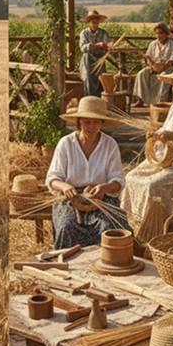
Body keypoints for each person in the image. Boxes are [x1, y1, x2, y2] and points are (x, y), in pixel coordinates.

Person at [121, 62, 173, 228]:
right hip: (165, 154)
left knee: (152, 184)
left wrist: (172, 135)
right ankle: (131, 222)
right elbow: (166, 129)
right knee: (131, 177)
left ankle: (152, 225)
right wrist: (156, 134)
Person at [46, 96, 131, 249]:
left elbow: (118, 180)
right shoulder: (66, 144)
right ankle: (69, 266)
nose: (91, 126)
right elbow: (53, 178)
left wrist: (104, 188)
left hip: (101, 197)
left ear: (102, 123)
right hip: (70, 197)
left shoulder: (110, 145)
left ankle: (104, 268)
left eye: (96, 122)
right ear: (79, 122)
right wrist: (65, 186)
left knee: (109, 228)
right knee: (67, 226)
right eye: (87, 122)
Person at [132, 23, 173, 106]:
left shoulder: (171, 44)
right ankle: (141, 100)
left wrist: (165, 64)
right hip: (154, 66)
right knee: (141, 74)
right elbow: (148, 57)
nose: (158, 35)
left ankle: (160, 102)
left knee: (164, 77)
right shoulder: (153, 44)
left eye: (161, 33)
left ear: (166, 34)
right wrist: (150, 63)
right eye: (157, 33)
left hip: (167, 68)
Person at [79, 10, 111, 97]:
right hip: (88, 61)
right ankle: (89, 97)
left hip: (100, 59)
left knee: (101, 78)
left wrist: (108, 46)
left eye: (96, 22)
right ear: (89, 22)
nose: (95, 24)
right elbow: (83, 48)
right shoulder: (84, 33)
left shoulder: (103, 33)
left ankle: (99, 99)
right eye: (93, 22)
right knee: (88, 76)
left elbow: (109, 44)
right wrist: (96, 45)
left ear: (98, 23)